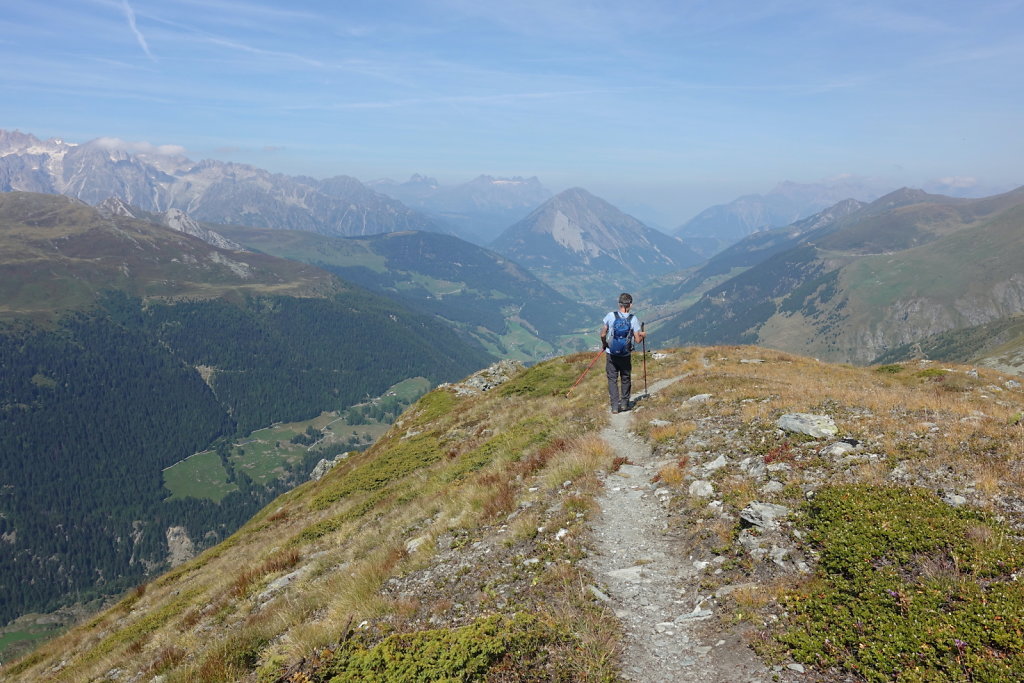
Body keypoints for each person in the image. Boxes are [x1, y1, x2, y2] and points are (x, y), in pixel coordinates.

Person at [600, 292, 645, 413]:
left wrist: (605, 344)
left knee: (612, 379)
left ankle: (615, 406)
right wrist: (642, 335)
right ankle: (625, 403)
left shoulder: (611, 315)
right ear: (630, 304)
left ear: (619, 303)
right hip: (625, 354)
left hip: (611, 353)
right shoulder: (633, 319)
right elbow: (637, 340)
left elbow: (603, 333)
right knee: (625, 378)